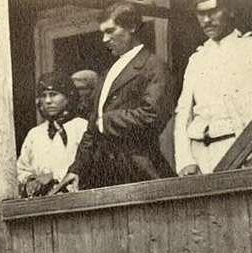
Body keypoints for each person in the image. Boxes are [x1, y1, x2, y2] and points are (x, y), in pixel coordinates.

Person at [57, 3, 175, 192]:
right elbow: (92, 127)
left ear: (132, 27)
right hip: (104, 175)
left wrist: (107, 121)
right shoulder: (107, 74)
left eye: (110, 31)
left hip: (139, 172)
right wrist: (77, 169)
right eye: (103, 33)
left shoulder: (154, 67)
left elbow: (153, 115)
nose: (105, 39)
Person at [174, 0, 252, 175]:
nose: (206, 20)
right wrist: (185, 160)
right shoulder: (196, 59)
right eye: (200, 14)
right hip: (200, 155)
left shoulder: (248, 49)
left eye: (213, 12)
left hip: (238, 150)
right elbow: (183, 112)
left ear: (230, 11)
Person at [17, 72, 89, 197]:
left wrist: (53, 176)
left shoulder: (82, 127)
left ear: (67, 97)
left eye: (53, 95)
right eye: (43, 96)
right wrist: (31, 180)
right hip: (41, 201)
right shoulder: (35, 134)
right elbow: (22, 168)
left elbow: (87, 165)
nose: (48, 101)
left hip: (76, 198)